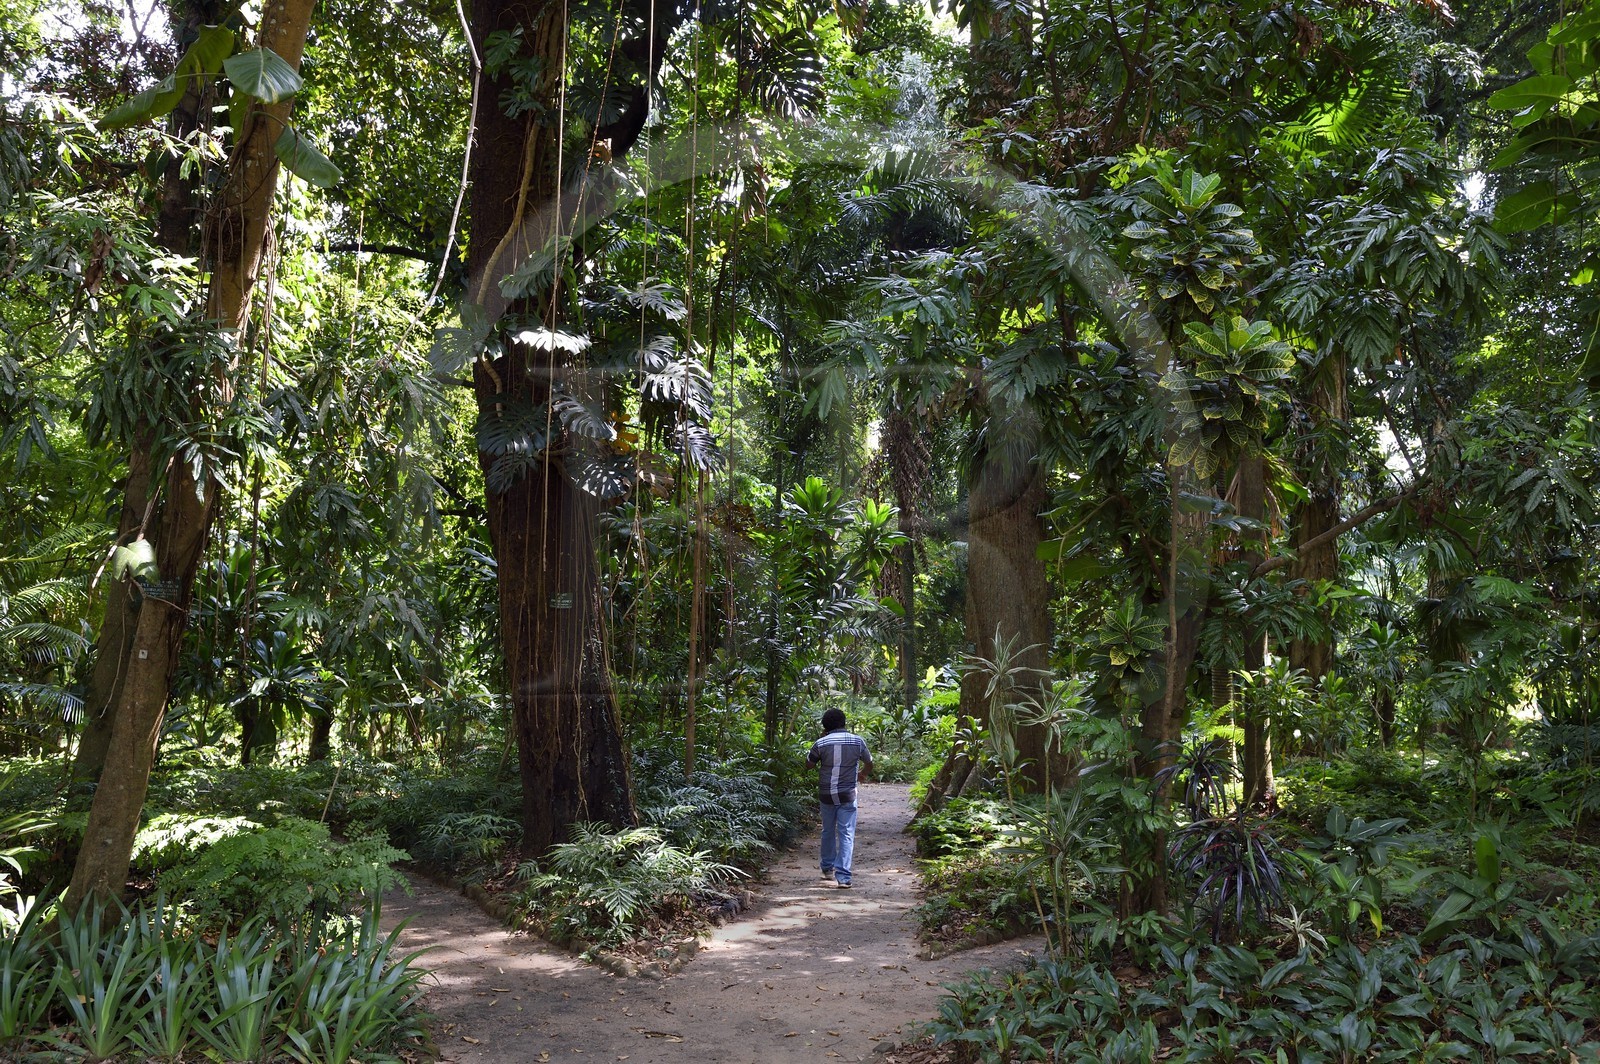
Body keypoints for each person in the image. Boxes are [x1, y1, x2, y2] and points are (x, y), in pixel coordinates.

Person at [806, 707, 874, 889]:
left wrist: (821, 740)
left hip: (826, 794)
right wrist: (862, 774)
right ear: (844, 723)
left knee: (827, 830)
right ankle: (843, 877)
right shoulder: (857, 741)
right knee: (846, 833)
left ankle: (827, 868)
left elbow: (809, 765)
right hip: (847, 794)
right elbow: (869, 763)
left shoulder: (821, 743)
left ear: (825, 726)